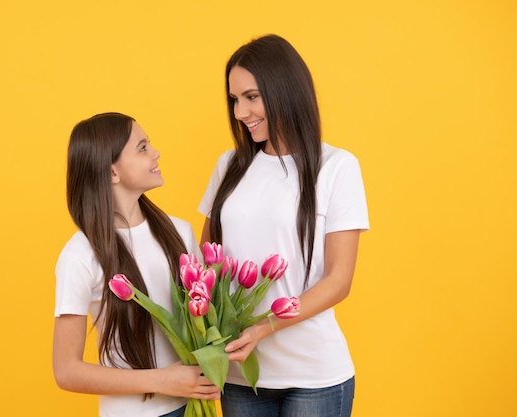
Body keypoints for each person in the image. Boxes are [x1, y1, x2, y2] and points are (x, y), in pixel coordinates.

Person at [198, 35, 369, 417]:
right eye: (235, 100)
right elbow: (206, 265)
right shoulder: (229, 166)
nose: (241, 112)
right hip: (241, 377)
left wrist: (263, 328)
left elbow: (339, 280)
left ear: (284, 90)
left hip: (314, 376)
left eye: (252, 97)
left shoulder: (336, 167)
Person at [53, 112, 220, 417]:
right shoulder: (80, 256)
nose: (155, 153)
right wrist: (163, 381)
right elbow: (66, 371)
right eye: (142, 148)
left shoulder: (180, 233)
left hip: (192, 407)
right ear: (112, 172)